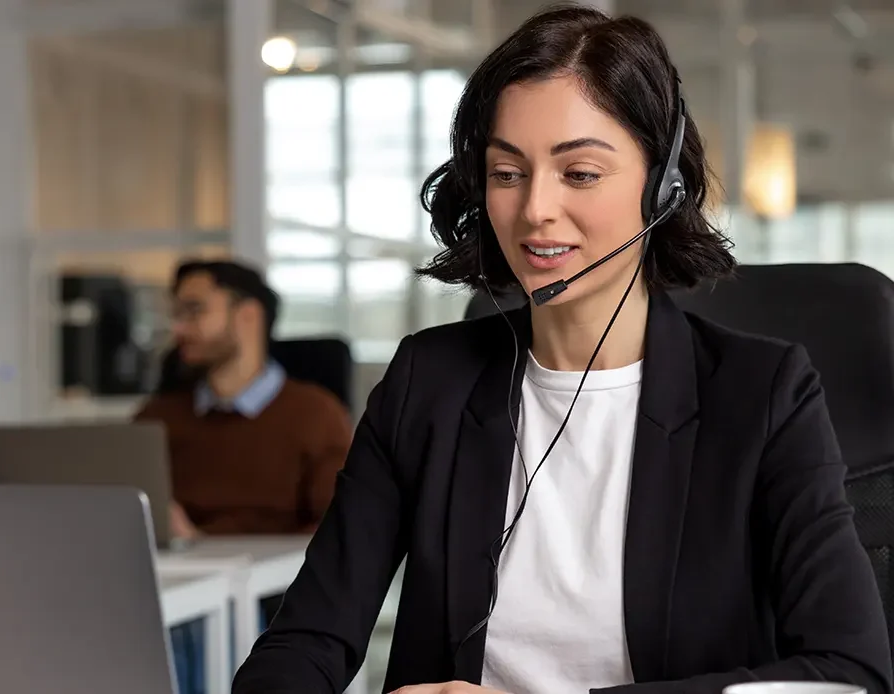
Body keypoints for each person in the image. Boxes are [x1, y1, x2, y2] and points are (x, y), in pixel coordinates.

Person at [232, 6, 892, 694]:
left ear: (661, 189)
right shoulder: (428, 382)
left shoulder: (763, 394)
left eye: (579, 173)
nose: (536, 209)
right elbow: (308, 636)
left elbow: (849, 673)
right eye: (507, 173)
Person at [135, 260, 352, 540]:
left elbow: (340, 531)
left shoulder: (316, 415)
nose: (179, 329)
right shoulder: (156, 418)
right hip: (173, 576)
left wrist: (203, 542)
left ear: (248, 316)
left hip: (278, 579)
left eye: (194, 311)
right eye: (177, 314)